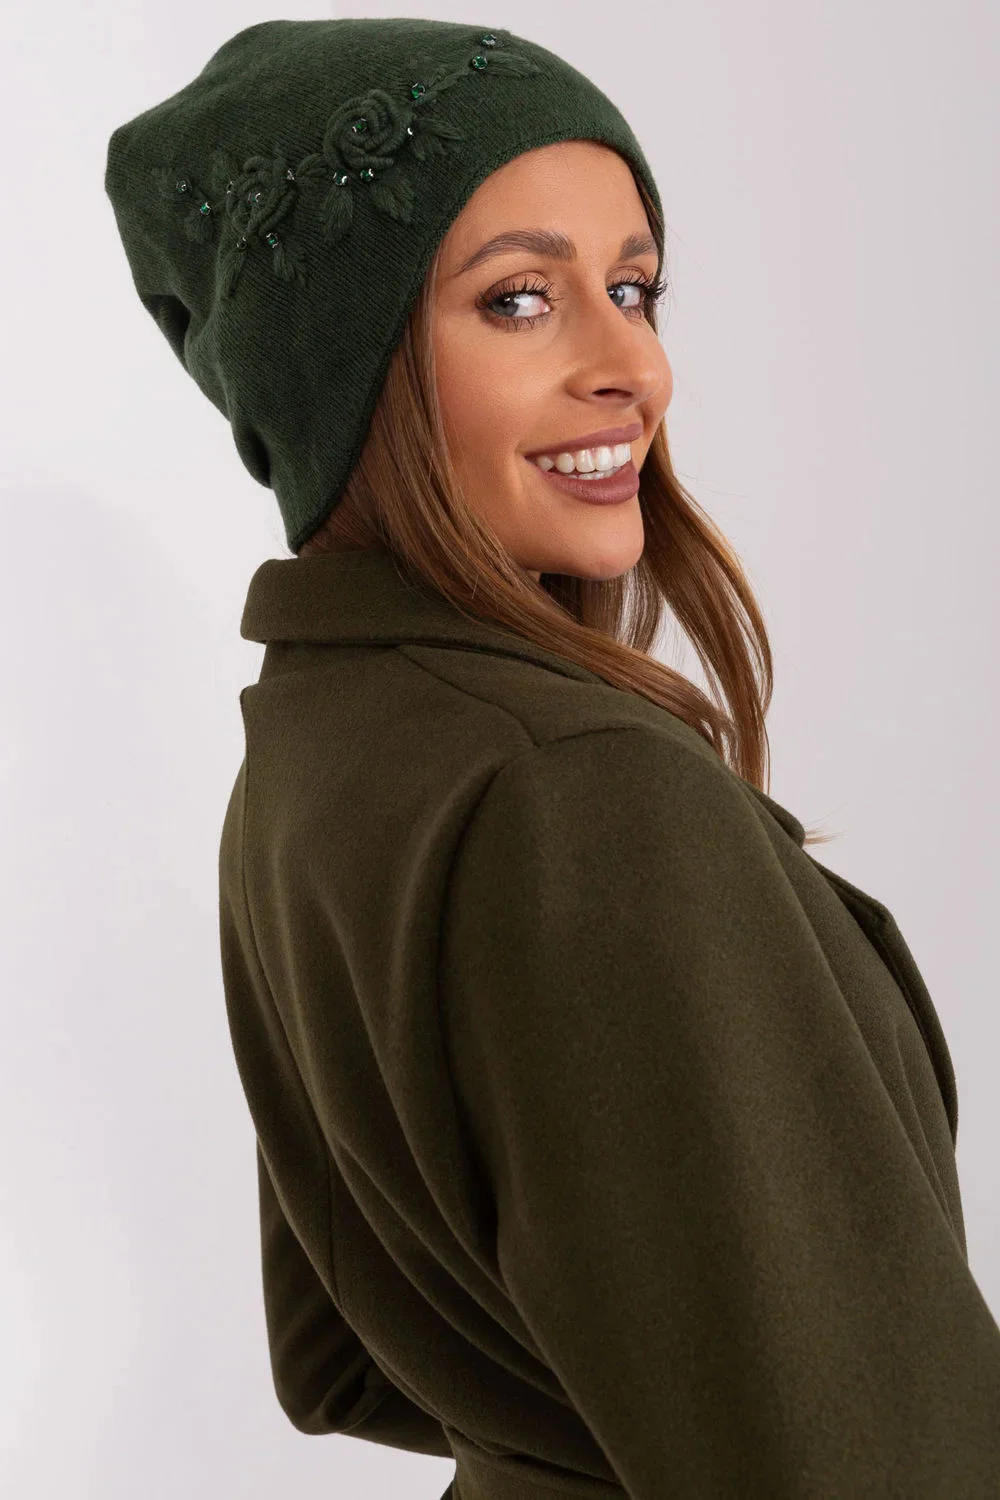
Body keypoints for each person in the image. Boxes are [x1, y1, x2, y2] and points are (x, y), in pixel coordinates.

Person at [105, 18, 1000, 1497]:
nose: (633, 365)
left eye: (634, 289)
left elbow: (340, 1355)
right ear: (342, 372)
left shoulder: (314, 750)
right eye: (520, 299)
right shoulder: (580, 793)